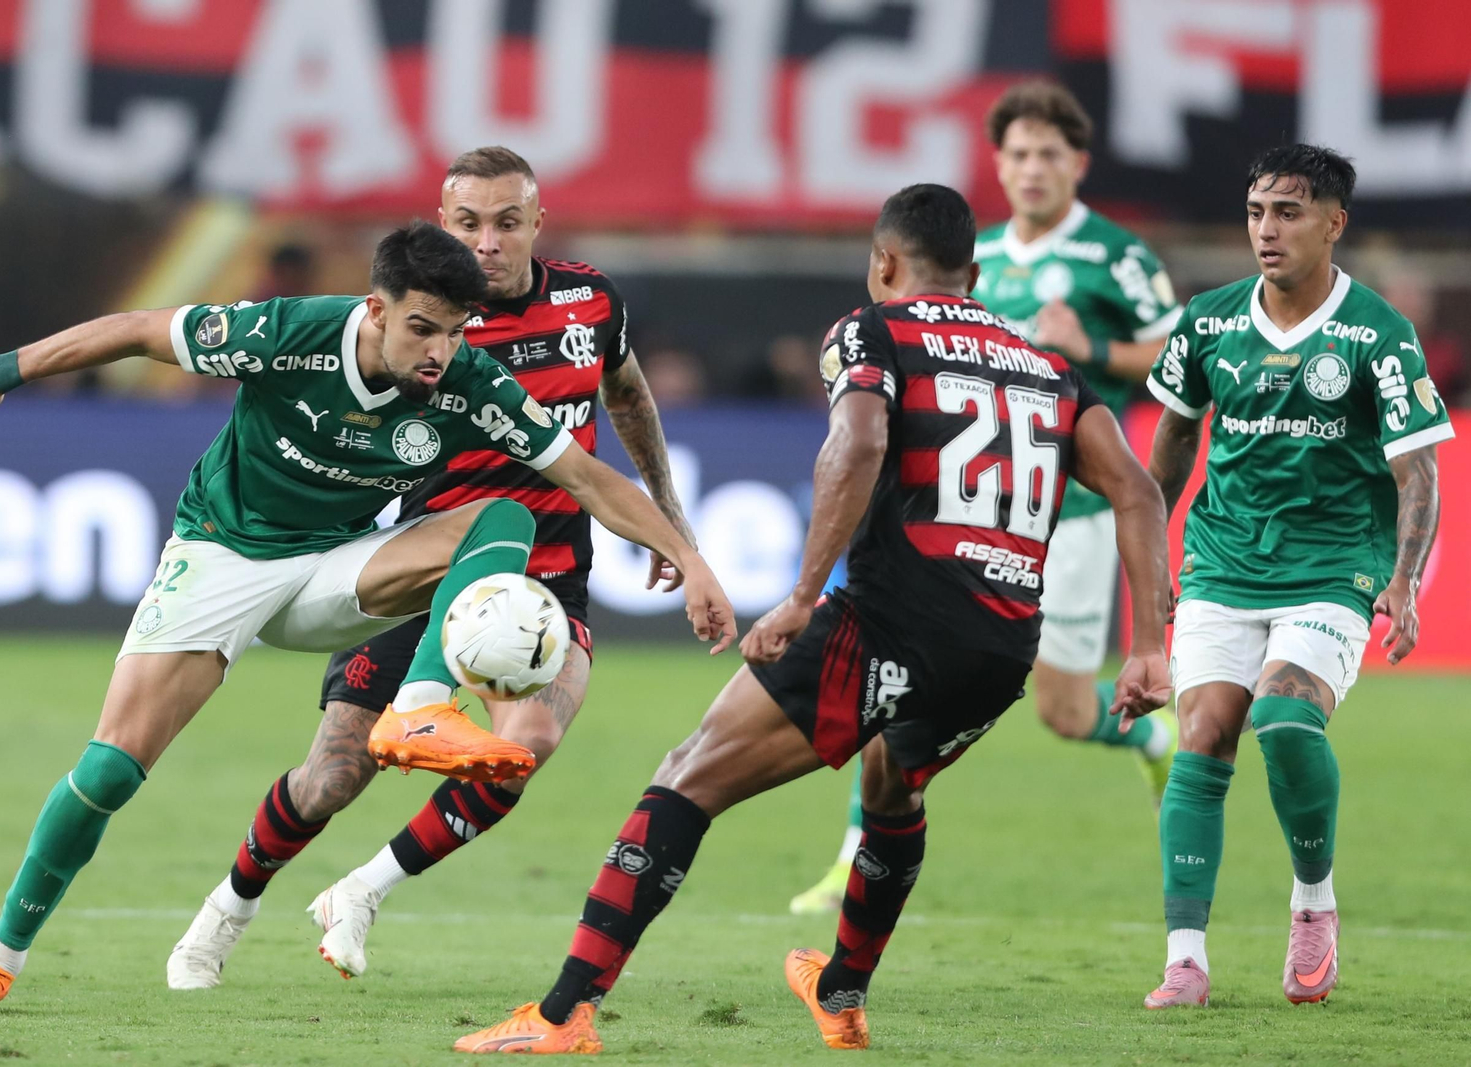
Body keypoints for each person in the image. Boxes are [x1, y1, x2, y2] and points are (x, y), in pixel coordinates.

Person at [0, 221, 735, 1017]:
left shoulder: (468, 379)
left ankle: (420, 707)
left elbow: (586, 478)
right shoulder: (288, 332)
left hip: (339, 567)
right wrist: (2, 370)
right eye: (422, 329)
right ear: (375, 309)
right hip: (224, 556)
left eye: (455, 332)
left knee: (503, 517)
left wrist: (690, 557)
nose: (440, 352)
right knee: (108, 772)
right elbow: (136, 330)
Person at [449, 183, 1173, 1054]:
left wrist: (800, 597)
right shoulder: (1048, 368)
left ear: (884, 263)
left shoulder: (873, 331)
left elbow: (858, 443)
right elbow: (1138, 490)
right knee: (892, 785)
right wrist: (1147, 647)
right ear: (975, 275)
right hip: (1003, 643)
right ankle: (842, 991)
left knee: (688, 775)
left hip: (894, 617)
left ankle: (563, 1013)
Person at [165, 146, 697, 987]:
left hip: (546, 579)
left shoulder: (591, 302)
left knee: (521, 747)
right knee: (332, 776)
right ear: (444, 224)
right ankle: (226, 908)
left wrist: (669, 514)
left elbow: (626, 395)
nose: (488, 242)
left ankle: (363, 890)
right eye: (469, 223)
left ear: (538, 223)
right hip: (428, 570)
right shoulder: (424, 319)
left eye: (507, 222)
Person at [790, 79, 1182, 917]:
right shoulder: (977, 256)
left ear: (1077, 165)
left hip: (1070, 513)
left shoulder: (1116, 257)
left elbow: (1176, 359)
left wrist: (1094, 344)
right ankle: (853, 854)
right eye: (1018, 154)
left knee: (1066, 712)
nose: (1032, 168)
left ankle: (1154, 736)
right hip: (957, 510)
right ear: (998, 164)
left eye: (1049, 154)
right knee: (888, 666)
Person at [1141, 145, 1452, 1009]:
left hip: (1333, 562)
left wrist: (1404, 580)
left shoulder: (1377, 332)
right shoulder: (1207, 322)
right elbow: (1173, 440)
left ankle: (1313, 902)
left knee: (1282, 717)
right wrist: (1152, 555)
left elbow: (1418, 472)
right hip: (1223, 558)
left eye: (1287, 212)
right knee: (1203, 733)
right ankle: (1185, 960)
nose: (1266, 230)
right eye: (1256, 212)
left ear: (1333, 222)